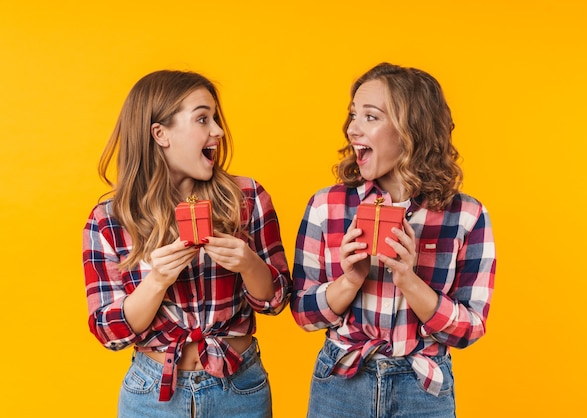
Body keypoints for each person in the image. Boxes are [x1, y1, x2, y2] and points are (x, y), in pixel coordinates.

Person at [290, 62, 496, 417]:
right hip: (341, 382)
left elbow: (470, 329)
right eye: (353, 115)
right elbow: (304, 314)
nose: (353, 128)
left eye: (370, 117)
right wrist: (351, 280)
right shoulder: (327, 205)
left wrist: (409, 279)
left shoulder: (466, 216)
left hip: (422, 388)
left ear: (411, 129)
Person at [83, 70, 292, 418]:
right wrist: (157, 280)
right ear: (160, 133)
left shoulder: (247, 197)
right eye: (202, 118)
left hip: (239, 386)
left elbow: (277, 301)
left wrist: (249, 264)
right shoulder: (109, 219)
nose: (218, 131)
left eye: (215, 118)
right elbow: (110, 332)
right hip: (152, 394)